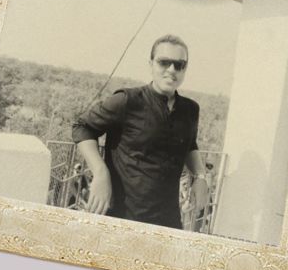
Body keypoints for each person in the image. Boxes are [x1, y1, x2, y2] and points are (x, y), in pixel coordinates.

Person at [71, 34, 209, 229]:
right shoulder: (128, 101)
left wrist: (200, 177)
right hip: (123, 217)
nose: (172, 70)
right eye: (164, 62)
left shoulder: (190, 109)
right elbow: (83, 127)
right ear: (151, 64)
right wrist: (101, 173)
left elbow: (190, 144)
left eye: (179, 65)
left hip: (168, 221)